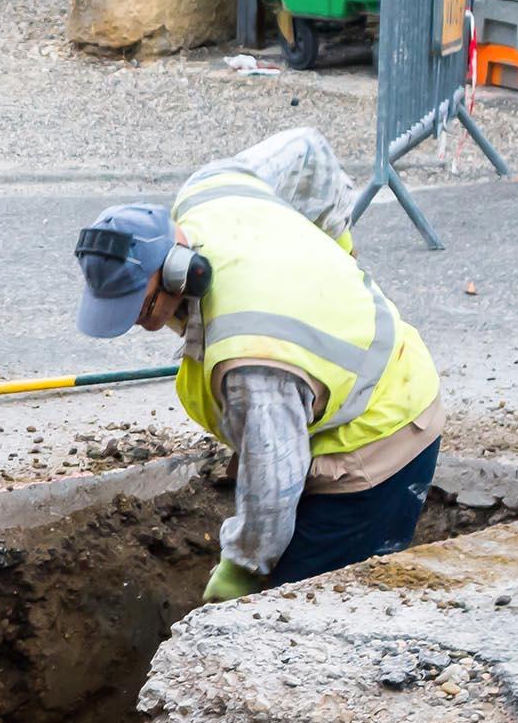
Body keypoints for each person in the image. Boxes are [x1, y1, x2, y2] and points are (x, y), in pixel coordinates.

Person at [72, 129, 444, 603]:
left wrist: (241, 573)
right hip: (352, 389)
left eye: (141, 307)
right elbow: (306, 148)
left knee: (304, 620)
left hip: (379, 436)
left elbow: (272, 488)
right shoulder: (212, 189)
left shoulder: (251, 358)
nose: (137, 323)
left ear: (177, 270)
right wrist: (337, 242)